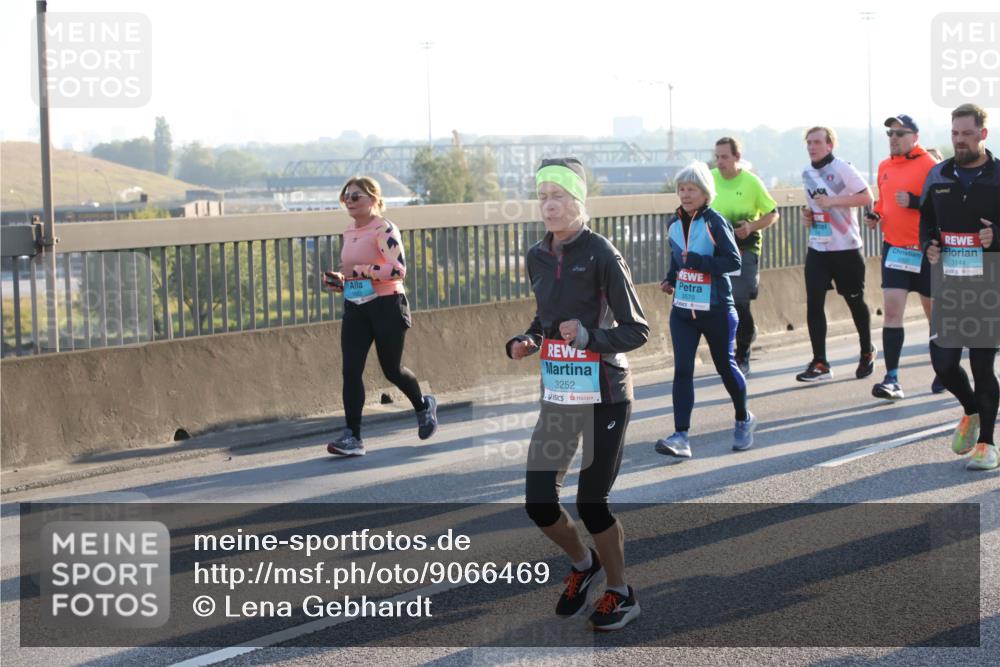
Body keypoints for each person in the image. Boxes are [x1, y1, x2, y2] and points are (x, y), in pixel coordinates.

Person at [506, 158, 649, 631]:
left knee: (592, 502)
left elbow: (636, 330)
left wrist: (589, 337)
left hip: (606, 391)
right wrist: (529, 339)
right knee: (539, 502)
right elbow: (545, 319)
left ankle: (620, 591)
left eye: (559, 196)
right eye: (543, 195)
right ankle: (583, 563)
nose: (549, 205)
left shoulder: (602, 253)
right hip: (561, 393)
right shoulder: (536, 255)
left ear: (578, 202)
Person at [323, 176, 438, 456]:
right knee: (350, 371)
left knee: (391, 370)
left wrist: (362, 271)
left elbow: (397, 270)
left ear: (373, 200)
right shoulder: (349, 231)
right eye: (346, 197)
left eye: (355, 197)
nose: (349, 201)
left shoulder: (384, 228)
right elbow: (354, 271)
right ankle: (353, 437)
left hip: (387, 304)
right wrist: (341, 280)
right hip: (356, 305)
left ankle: (423, 406)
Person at [656, 161, 755, 459]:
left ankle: (743, 418)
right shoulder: (673, 223)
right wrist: (671, 278)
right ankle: (681, 436)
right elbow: (679, 258)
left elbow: (733, 262)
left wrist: (700, 262)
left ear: (705, 192)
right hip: (684, 310)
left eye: (692, 189)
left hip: (716, 309)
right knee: (683, 371)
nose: (685, 194)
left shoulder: (715, 222)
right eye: (681, 189)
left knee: (725, 367)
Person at [920, 104, 1000, 471]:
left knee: (983, 367)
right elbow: (927, 223)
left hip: (989, 283)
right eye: (955, 134)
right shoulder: (938, 175)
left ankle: (987, 444)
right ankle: (971, 411)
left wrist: (995, 236)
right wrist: (929, 245)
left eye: (967, 134)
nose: (960, 140)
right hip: (950, 282)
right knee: (944, 363)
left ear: (983, 134)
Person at [865, 114, 942, 399]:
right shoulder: (884, 166)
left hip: (926, 251)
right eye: (890, 133)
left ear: (914, 137)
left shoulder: (929, 166)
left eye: (899, 133)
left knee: (934, 315)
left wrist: (914, 202)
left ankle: (943, 371)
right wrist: (877, 215)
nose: (893, 138)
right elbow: (884, 202)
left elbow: (942, 204)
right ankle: (892, 379)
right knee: (893, 312)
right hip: (895, 249)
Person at [797, 127, 877, 382]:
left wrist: (832, 202)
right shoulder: (807, 173)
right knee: (814, 303)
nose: (812, 146)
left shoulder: (842, 168)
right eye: (809, 142)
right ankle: (820, 362)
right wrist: (808, 216)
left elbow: (866, 197)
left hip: (846, 247)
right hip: (819, 246)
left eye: (817, 142)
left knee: (854, 301)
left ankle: (867, 350)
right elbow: (814, 205)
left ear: (830, 145)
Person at [711, 137, 780, 376]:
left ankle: (743, 354)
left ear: (737, 158)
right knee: (719, 302)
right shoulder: (709, 179)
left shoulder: (751, 182)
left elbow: (773, 214)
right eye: (717, 157)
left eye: (725, 157)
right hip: (716, 249)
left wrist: (751, 226)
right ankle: (730, 348)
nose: (719, 162)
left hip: (744, 248)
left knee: (740, 301)